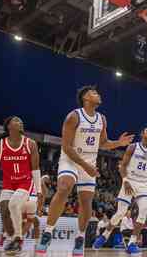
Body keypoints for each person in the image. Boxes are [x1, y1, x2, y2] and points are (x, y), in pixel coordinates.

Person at [36, 86, 134, 256]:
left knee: (86, 201)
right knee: (65, 187)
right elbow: (66, 147)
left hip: (89, 161)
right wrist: (86, 165)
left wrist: (118, 143)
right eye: (94, 93)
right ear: (85, 98)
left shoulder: (102, 119)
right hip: (70, 159)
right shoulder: (73, 117)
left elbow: (103, 143)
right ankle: (48, 232)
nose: (98, 94)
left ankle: (80, 237)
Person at [93, 127, 147, 254]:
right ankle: (104, 235)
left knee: (144, 210)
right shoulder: (132, 147)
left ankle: (132, 243)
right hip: (129, 180)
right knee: (120, 212)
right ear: (142, 134)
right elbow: (122, 166)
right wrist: (125, 181)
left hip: (143, 184)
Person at [0, 116, 43, 254]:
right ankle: (11, 239)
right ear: (8, 126)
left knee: (14, 205)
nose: (20, 122)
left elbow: (35, 168)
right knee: (4, 211)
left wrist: (38, 190)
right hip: (8, 183)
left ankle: (18, 239)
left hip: (25, 181)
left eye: (21, 121)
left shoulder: (30, 143)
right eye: (16, 121)